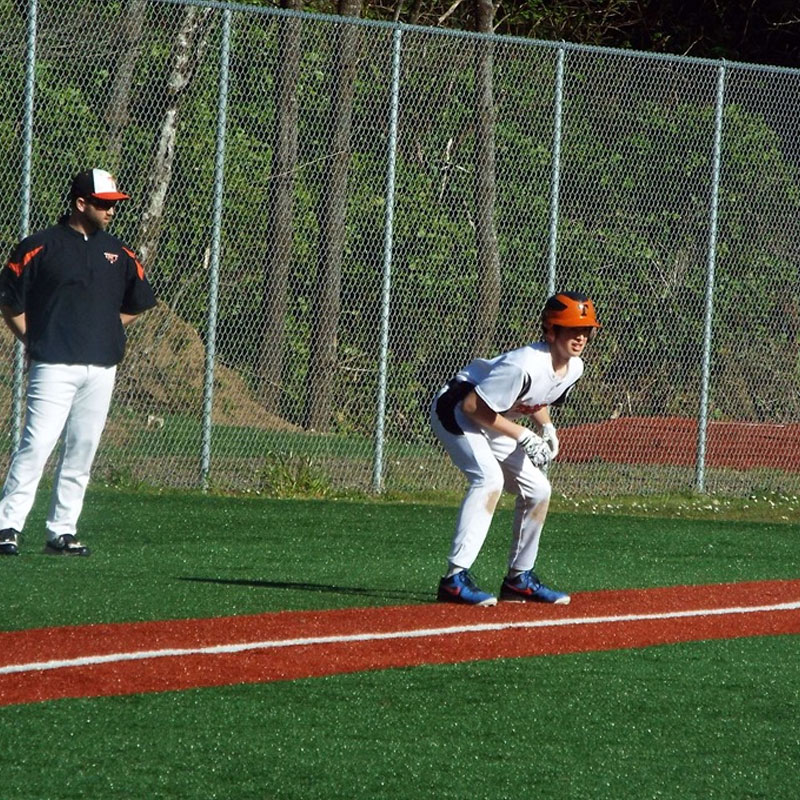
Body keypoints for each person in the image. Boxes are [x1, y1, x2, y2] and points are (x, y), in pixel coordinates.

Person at [0, 168, 156, 556]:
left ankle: (62, 530)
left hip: (102, 367)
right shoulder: (39, 246)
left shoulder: (119, 253)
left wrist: (106, 327)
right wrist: (32, 338)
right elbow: (8, 298)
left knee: (82, 448)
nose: (111, 211)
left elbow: (138, 302)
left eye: (114, 204)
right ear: (80, 203)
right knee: (37, 444)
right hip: (55, 364)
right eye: (104, 204)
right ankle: (7, 525)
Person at [431, 291, 601, 606]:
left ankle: (518, 579)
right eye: (571, 329)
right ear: (551, 330)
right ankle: (454, 579)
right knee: (488, 479)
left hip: (494, 417)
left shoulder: (574, 367)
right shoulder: (524, 363)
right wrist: (522, 435)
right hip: (455, 409)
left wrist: (546, 427)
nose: (580, 337)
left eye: (585, 330)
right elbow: (472, 406)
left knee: (539, 490)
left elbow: (536, 398)